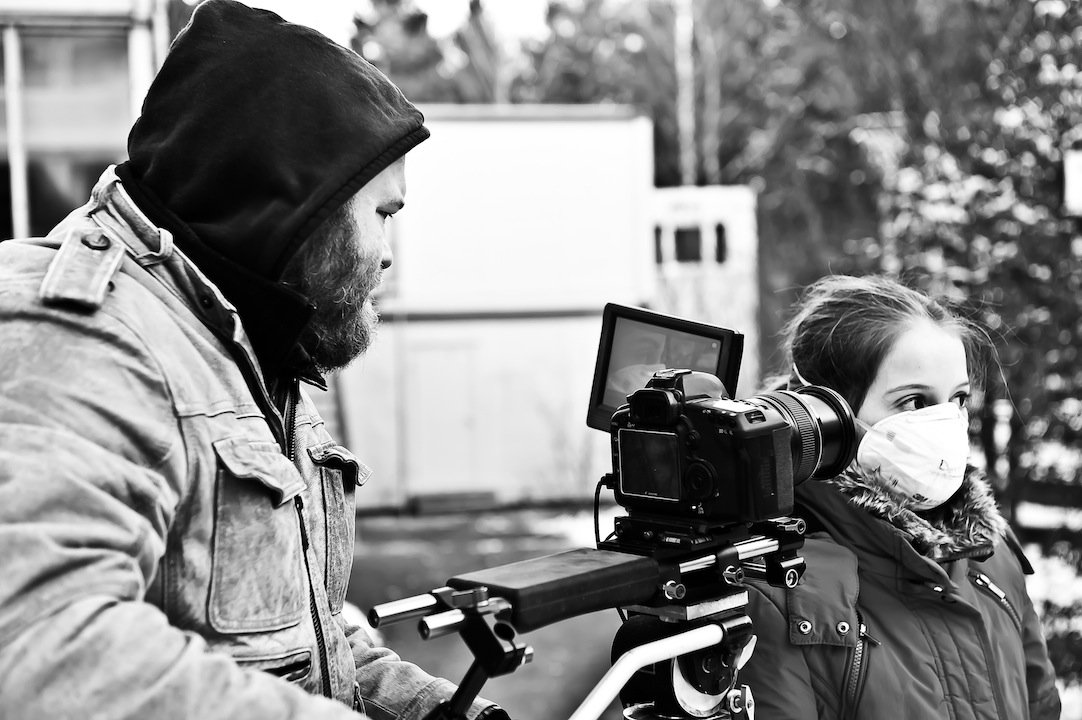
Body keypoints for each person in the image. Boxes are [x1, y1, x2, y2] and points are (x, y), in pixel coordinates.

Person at [0, 2, 508, 719]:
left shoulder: (245, 346)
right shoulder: (80, 336)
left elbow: (299, 639)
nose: (389, 254)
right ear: (303, 204)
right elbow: (40, 654)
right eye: (384, 215)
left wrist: (441, 713)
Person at [739, 274, 1061, 719]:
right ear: (827, 415)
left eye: (958, 399)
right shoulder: (781, 592)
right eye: (914, 402)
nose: (946, 423)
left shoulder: (993, 555)